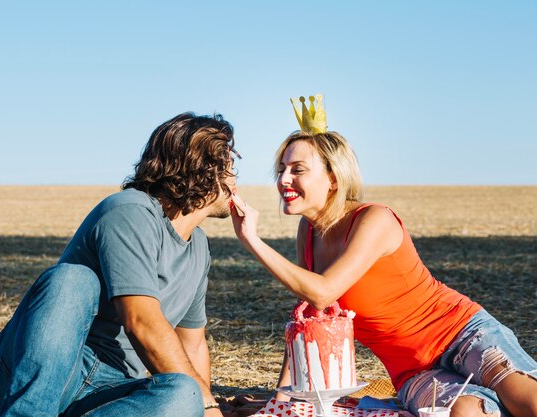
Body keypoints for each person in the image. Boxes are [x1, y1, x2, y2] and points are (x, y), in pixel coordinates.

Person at [229, 97, 537, 417]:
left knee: (526, 401)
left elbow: (322, 291)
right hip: (413, 371)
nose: (283, 180)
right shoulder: (308, 233)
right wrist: (280, 402)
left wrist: (252, 240)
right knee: (465, 413)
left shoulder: (374, 219)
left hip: (462, 333)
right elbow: (310, 319)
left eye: (298, 170)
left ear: (334, 177)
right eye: (281, 170)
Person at [0, 112, 240, 417]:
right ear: (203, 170)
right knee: (73, 279)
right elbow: (141, 322)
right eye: (229, 167)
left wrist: (204, 405)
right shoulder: (129, 212)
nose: (236, 179)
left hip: (108, 391)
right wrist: (209, 408)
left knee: (185, 395)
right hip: (46, 377)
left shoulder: (199, 248)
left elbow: (193, 345)